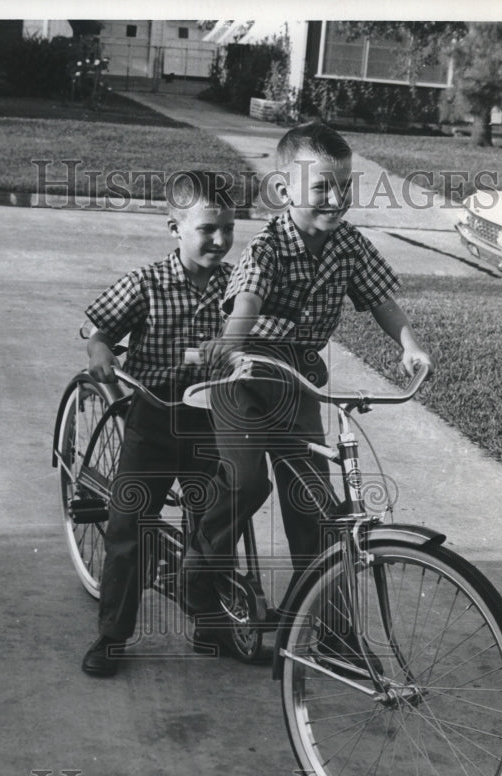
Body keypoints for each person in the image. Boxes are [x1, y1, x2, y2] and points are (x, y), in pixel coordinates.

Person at [183, 122, 434, 650]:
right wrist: (231, 345)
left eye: (345, 186)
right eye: (322, 187)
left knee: (315, 506)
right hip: (245, 372)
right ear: (283, 190)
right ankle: (198, 571)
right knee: (247, 482)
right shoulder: (269, 247)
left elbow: (381, 299)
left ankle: (333, 634)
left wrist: (409, 344)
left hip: (299, 380)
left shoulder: (348, 243)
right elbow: (247, 302)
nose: (337, 199)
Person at [81, 171, 237, 677]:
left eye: (228, 229)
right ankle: (112, 635)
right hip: (153, 413)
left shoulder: (237, 285)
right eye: (207, 229)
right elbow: (99, 330)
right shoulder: (146, 282)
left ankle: (210, 620)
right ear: (175, 228)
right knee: (130, 524)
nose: (219, 240)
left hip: (209, 417)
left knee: (213, 521)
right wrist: (100, 349)